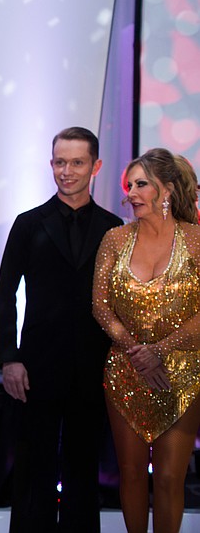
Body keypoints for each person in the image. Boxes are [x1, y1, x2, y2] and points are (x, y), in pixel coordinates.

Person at [0, 127, 123, 532]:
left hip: (95, 363)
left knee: (84, 461)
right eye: (59, 162)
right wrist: (9, 359)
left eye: (76, 162)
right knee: (33, 461)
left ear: (95, 166)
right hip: (36, 364)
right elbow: (4, 295)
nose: (66, 171)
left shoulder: (112, 226)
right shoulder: (29, 223)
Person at [93, 148, 200, 533]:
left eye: (141, 185)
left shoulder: (196, 240)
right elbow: (100, 306)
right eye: (129, 185)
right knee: (132, 474)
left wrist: (160, 351)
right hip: (126, 369)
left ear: (167, 189)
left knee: (171, 478)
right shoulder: (115, 238)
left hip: (183, 373)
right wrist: (137, 353)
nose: (131, 193)